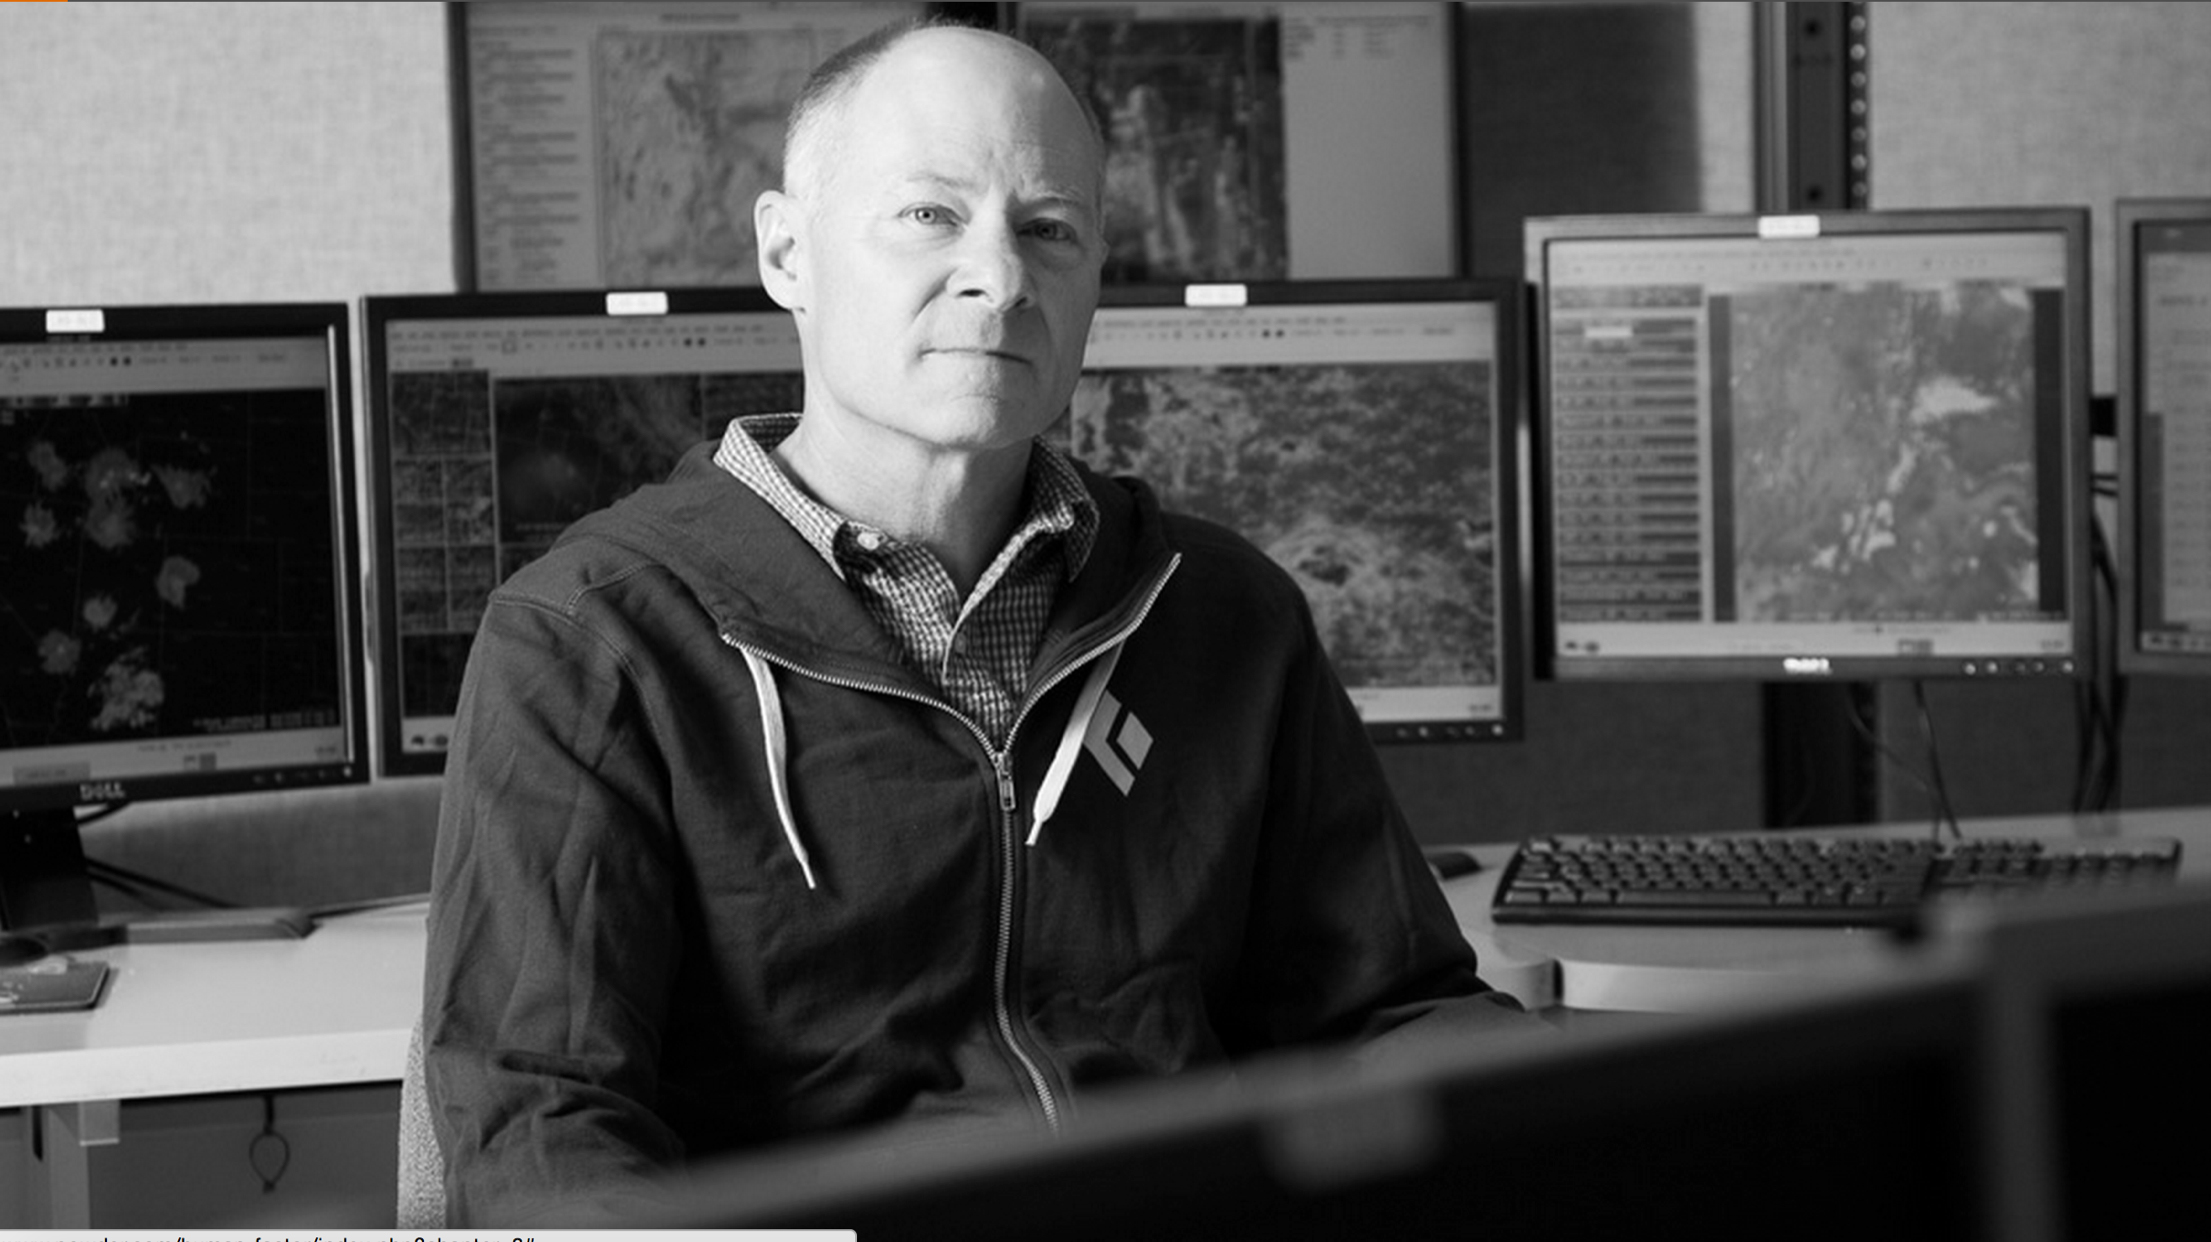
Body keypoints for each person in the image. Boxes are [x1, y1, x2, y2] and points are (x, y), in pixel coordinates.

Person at [418, 18, 1539, 1227]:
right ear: (787, 253)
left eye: (1049, 230)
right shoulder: (593, 642)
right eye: (929, 216)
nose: (999, 278)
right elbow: (542, 1132)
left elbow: (1383, 1011)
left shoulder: (1221, 612)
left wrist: (1582, 1126)